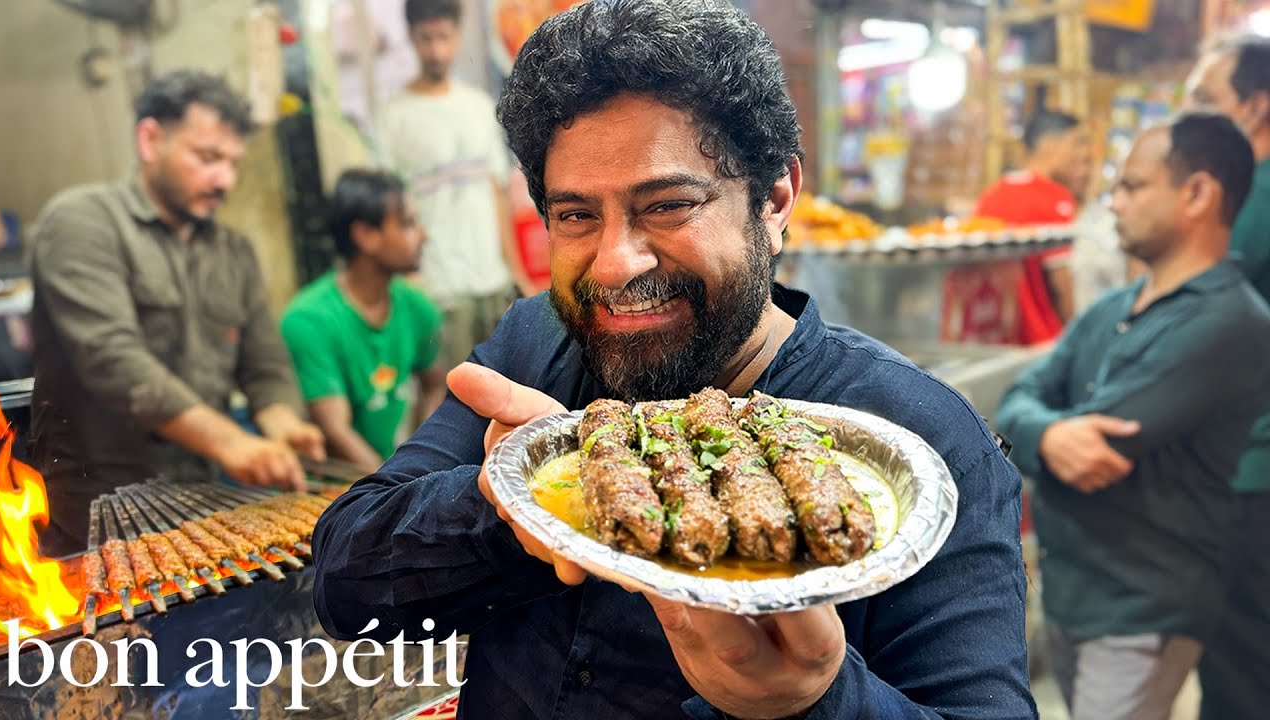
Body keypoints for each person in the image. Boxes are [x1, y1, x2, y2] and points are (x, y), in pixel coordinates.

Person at [313, 2, 1034, 718]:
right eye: (576, 215)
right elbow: (344, 582)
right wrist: (513, 509)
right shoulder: (535, 344)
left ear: (775, 198)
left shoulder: (924, 445)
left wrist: (815, 701)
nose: (616, 264)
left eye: (668, 205)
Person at [995, 113, 1270, 720]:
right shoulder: (1117, 306)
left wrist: (1033, 425)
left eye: (1133, 187)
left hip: (1141, 606)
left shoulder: (1228, 323)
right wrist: (1047, 429)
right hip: (1076, 591)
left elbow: (1094, 436)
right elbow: (1021, 393)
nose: (1112, 203)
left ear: (1198, 193)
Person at [29, 70, 325, 556]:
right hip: (97, 512)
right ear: (150, 139)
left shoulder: (233, 251)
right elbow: (112, 359)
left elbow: (265, 364)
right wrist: (233, 442)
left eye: (232, 163)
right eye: (207, 158)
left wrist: (282, 425)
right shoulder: (83, 222)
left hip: (205, 503)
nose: (224, 180)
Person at [373, 0, 540, 375]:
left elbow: (497, 194)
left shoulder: (478, 107)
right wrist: (407, 279)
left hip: (492, 282)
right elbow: (388, 208)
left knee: (506, 388)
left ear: (457, 36)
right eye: (425, 39)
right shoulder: (393, 116)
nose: (435, 49)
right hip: (436, 288)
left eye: (443, 38)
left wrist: (516, 273)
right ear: (412, 39)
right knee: (449, 397)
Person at [1183, 34, 1270, 720]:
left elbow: (1196, 305)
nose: (1187, 116)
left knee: (1240, 659)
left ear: (1257, 108)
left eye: (1205, 100)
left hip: (1247, 469)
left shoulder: (1251, 197)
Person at [281, 169, 444, 471]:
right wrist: (393, 488)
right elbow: (336, 431)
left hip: (384, 475)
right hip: (327, 488)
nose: (422, 235)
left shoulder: (417, 306)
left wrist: (422, 458)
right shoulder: (308, 320)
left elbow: (435, 385)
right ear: (366, 236)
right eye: (408, 224)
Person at [976, 110, 1094, 341]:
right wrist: (1079, 339)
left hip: (997, 336)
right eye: (1074, 144)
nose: (1079, 155)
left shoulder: (991, 195)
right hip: (1043, 338)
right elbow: (1060, 283)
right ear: (1049, 144)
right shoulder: (1054, 197)